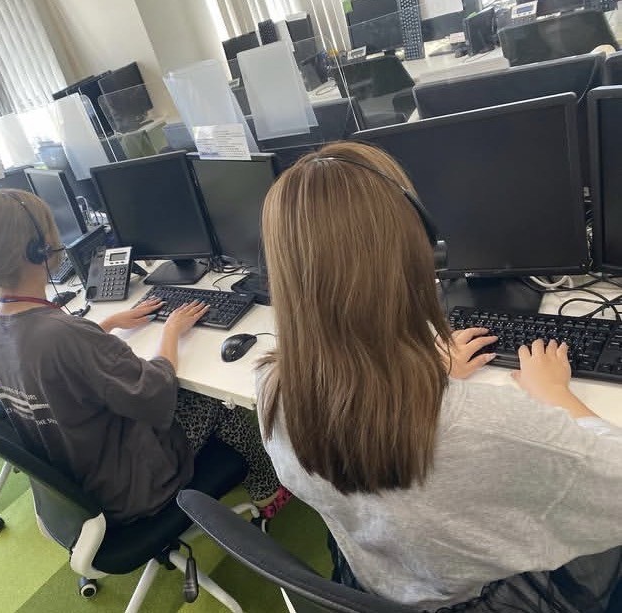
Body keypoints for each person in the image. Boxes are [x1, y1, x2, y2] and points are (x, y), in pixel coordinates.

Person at [256, 141, 622, 612]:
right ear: (422, 252)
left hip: (381, 578)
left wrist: (424, 370)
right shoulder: (487, 427)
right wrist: (556, 395)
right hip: (479, 597)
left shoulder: (272, 387)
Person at [0, 188, 289, 523]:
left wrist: (106, 324)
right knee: (215, 400)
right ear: (40, 248)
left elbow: (56, 367)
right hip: (134, 484)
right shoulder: (63, 335)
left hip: (84, 481)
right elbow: (156, 394)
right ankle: (268, 491)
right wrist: (171, 330)